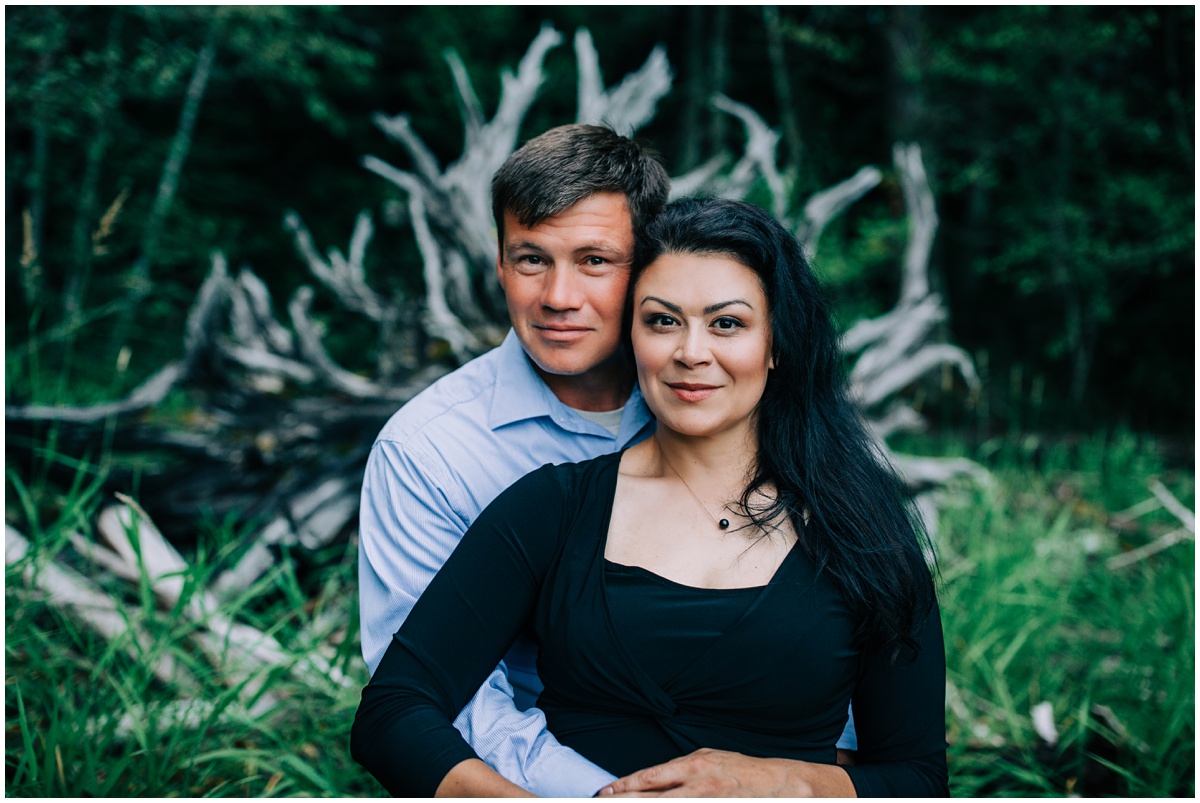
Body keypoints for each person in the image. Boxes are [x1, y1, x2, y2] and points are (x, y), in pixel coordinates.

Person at [352, 198, 948, 797]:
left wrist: (779, 782)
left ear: (776, 345)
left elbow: (919, 779)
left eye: (727, 324)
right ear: (631, 337)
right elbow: (395, 711)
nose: (690, 352)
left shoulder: (861, 529)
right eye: (663, 321)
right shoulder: (554, 506)